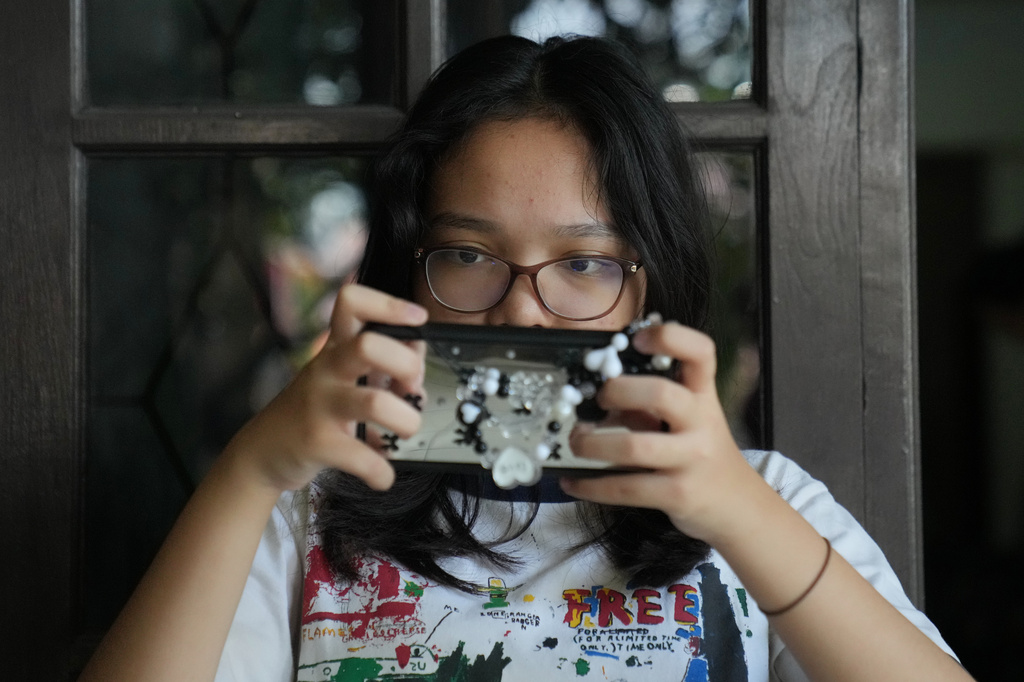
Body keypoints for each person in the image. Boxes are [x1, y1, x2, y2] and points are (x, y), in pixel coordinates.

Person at [80, 35, 972, 682]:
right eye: (468, 255)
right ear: (409, 272)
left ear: (646, 286)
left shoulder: (769, 503)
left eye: (583, 263)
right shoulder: (307, 515)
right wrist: (248, 470)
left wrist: (740, 512)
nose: (520, 307)